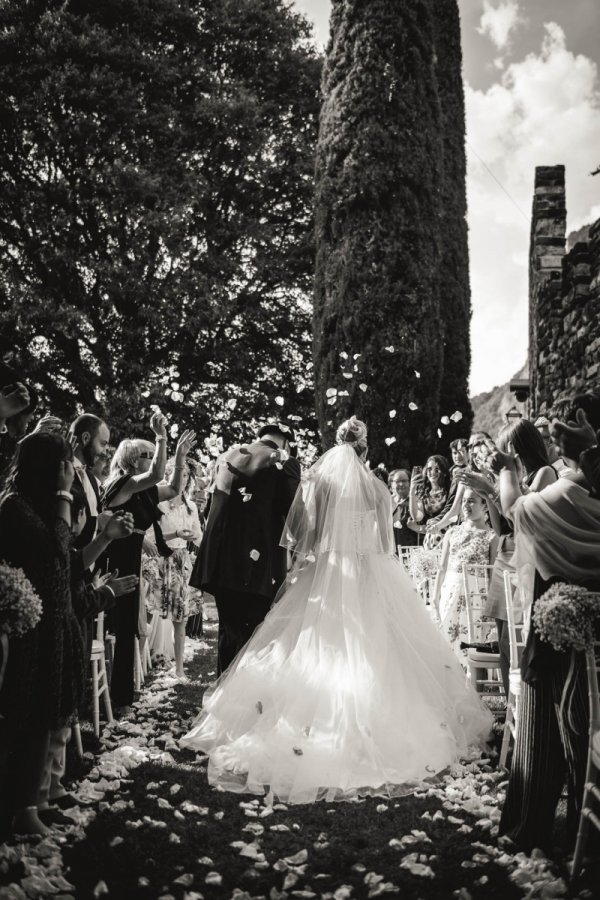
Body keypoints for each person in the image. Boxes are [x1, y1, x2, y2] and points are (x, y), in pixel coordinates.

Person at [181, 416, 492, 802]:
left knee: (310, 645)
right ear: (365, 449)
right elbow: (384, 543)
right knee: (377, 648)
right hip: (368, 571)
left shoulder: (321, 484)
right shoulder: (379, 489)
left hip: (327, 571)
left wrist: (310, 561)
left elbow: (304, 536)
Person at [491, 401, 600, 853]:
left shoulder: (561, 497)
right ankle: (582, 826)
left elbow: (514, 509)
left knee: (543, 732)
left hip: (558, 625)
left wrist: (503, 471)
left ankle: (532, 824)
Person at [0, 432, 84, 837]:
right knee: (28, 713)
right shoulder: (14, 506)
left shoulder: (39, 504)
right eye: (64, 463)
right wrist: (65, 496)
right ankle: (21, 807)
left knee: (49, 712)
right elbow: (57, 546)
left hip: (53, 621)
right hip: (29, 627)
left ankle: (39, 798)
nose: (69, 471)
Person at [189, 420, 301, 675]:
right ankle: (244, 706)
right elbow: (295, 515)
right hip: (257, 568)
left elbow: (209, 508)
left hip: (219, 564)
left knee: (229, 633)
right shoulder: (284, 461)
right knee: (255, 638)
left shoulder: (227, 457)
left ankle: (223, 701)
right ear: (286, 442)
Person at [101, 413, 196, 712]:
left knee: (129, 627)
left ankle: (122, 696)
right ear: (131, 460)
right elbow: (157, 476)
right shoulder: (121, 485)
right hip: (115, 559)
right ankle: (117, 699)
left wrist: (179, 457)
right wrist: (162, 437)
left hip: (132, 557)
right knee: (120, 627)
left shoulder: (140, 492)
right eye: (147, 455)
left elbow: (173, 488)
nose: (153, 459)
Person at [144, 457, 203, 677]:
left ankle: (179, 669)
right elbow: (152, 536)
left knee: (181, 620)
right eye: (179, 474)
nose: (183, 478)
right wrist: (176, 534)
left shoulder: (191, 508)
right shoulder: (158, 504)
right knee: (150, 614)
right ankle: (138, 665)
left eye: (187, 475)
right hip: (159, 561)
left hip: (181, 564)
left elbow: (198, 536)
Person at [431, 488, 498, 661]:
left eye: (472, 501)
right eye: (464, 501)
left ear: (484, 506)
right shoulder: (452, 533)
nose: (466, 505)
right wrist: (435, 597)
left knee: (473, 641)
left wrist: (491, 605)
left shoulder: (491, 536)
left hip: (477, 595)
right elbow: (442, 567)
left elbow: (492, 573)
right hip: (451, 592)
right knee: (446, 639)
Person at [68, 414, 111, 549]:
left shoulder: (92, 479)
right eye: (102, 444)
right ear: (86, 438)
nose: (105, 452)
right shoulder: (62, 473)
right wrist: (98, 522)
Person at [408, 454, 454, 542]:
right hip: (431, 539)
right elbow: (417, 517)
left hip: (448, 538)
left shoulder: (450, 492)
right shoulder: (424, 494)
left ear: (444, 472)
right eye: (429, 469)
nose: (432, 472)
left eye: (437, 469)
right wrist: (412, 491)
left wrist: (419, 528)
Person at [389, 468, 418, 550]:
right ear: (392, 484)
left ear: (410, 483)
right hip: (391, 552)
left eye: (404, 481)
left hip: (409, 552)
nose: (401, 484)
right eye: (397, 481)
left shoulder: (415, 502)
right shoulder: (387, 502)